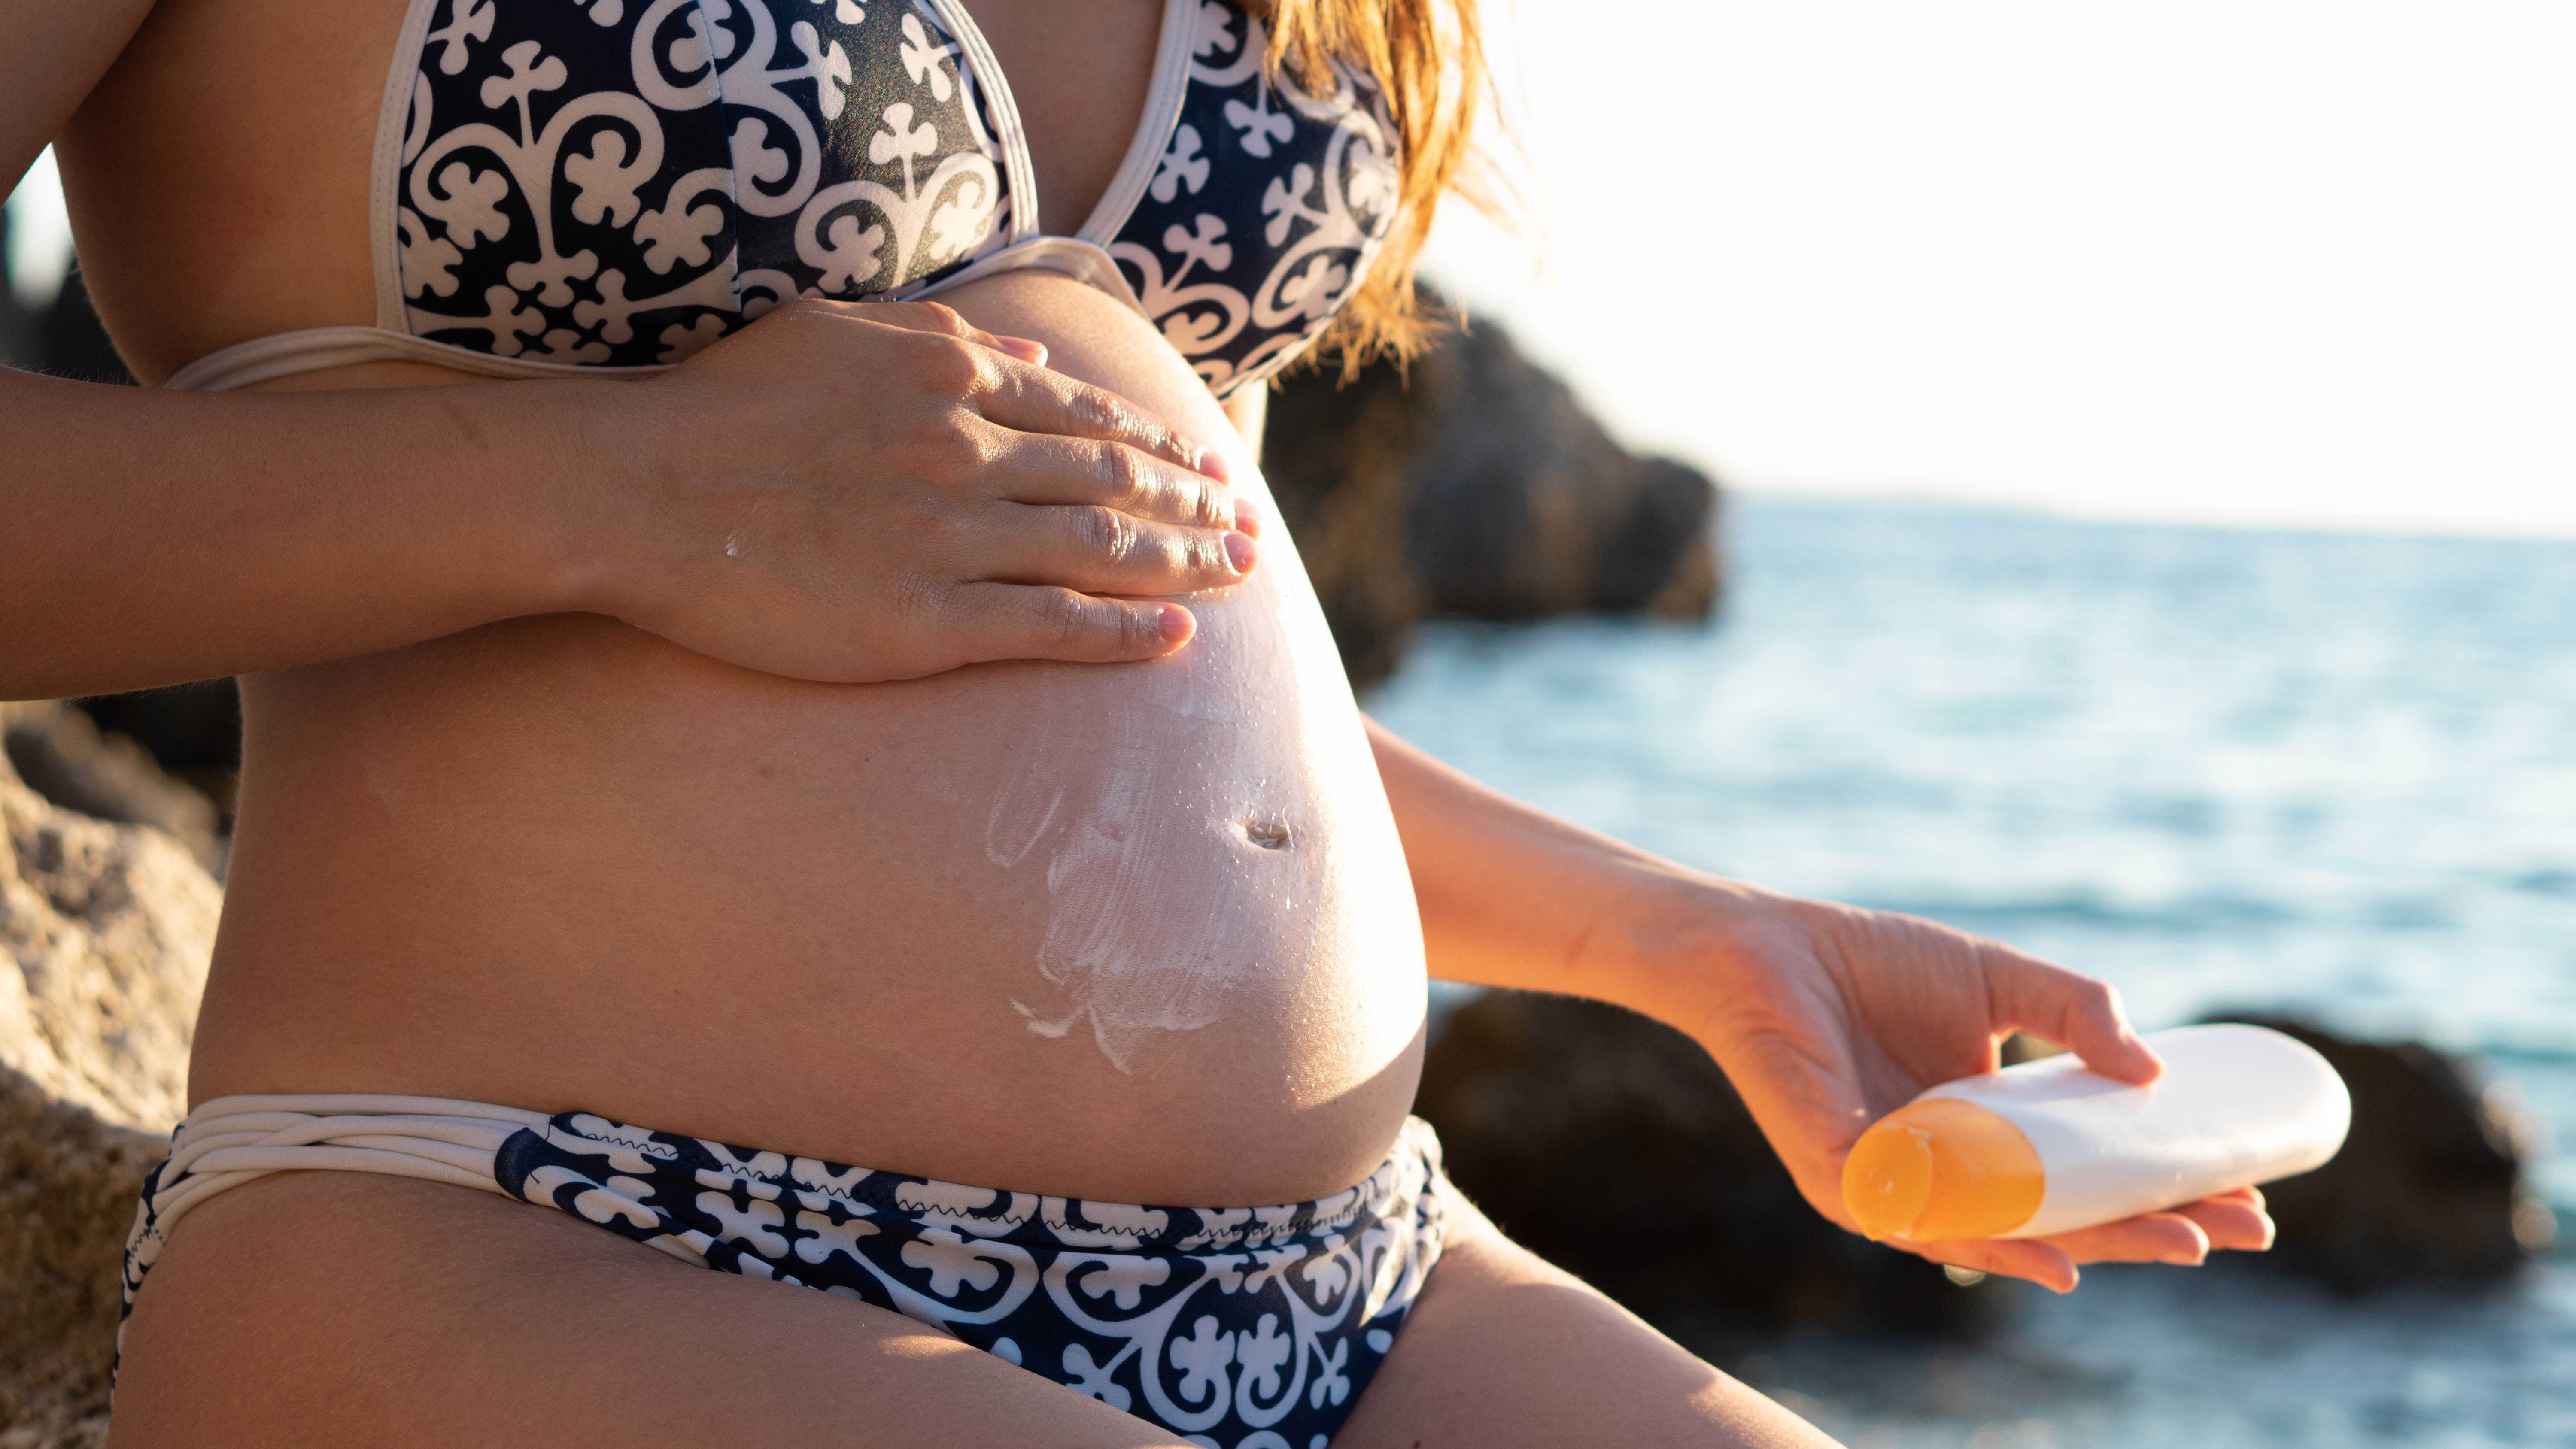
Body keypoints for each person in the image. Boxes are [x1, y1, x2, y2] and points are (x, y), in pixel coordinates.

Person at [4, 0, 2272, 1443]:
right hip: (557, 1242)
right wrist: (622, 490)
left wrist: (1687, 941)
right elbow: (780, 544)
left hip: (1364, 1281)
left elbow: (1107, 602)